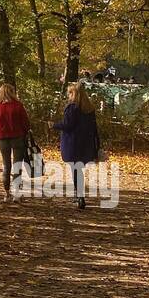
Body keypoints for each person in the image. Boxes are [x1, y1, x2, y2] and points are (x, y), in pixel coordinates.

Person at [52, 81, 101, 209]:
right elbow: (94, 128)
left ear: (74, 94)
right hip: (86, 143)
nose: (68, 96)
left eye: (69, 93)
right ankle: (79, 195)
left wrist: (54, 125)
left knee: (75, 170)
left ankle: (80, 196)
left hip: (73, 143)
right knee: (78, 170)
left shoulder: (72, 108)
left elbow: (68, 125)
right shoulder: (89, 109)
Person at [0, 83, 31, 202]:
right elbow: (26, 123)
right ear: (12, 92)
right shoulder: (18, 106)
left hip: (2, 138)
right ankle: (17, 193)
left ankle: (6, 193)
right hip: (17, 137)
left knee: (6, 165)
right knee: (17, 165)